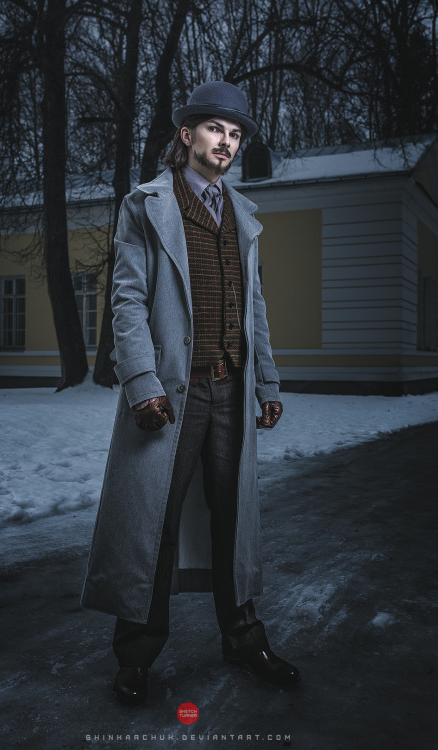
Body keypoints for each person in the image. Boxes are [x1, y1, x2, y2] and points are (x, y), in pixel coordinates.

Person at [81, 81, 300, 705]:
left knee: (233, 519)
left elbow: (252, 305)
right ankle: (137, 658)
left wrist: (267, 380)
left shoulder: (242, 215)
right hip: (173, 392)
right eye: (215, 129)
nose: (226, 142)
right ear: (187, 135)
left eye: (235, 134)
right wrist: (141, 383)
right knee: (157, 521)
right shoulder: (146, 205)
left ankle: (244, 638)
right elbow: (125, 299)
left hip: (230, 389)